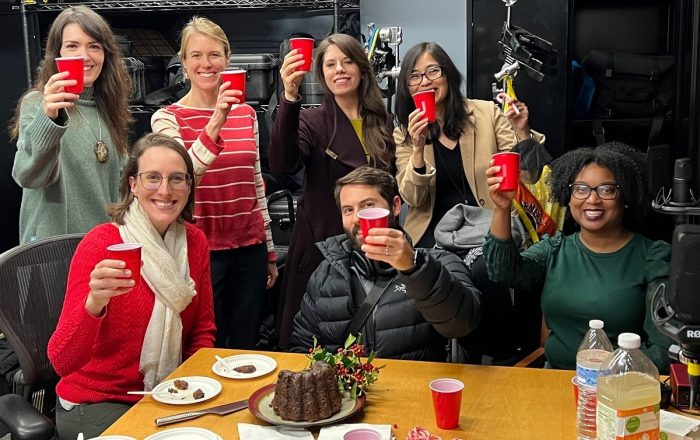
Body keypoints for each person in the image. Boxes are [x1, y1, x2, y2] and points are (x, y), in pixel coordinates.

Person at [47, 133, 216, 439]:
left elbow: (202, 331)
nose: (165, 190)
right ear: (132, 184)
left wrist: (196, 387)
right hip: (97, 399)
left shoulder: (195, 243)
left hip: (166, 393)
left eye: (177, 178)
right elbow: (62, 361)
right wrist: (94, 303)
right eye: (152, 178)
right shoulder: (101, 244)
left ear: (189, 186)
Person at [483, 142, 673, 372]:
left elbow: (663, 351)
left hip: (618, 389)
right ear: (568, 195)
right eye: (581, 189)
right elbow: (503, 272)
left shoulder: (653, 257)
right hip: (553, 382)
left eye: (606, 189)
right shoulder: (555, 249)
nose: (592, 200)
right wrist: (502, 208)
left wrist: (609, 377)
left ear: (626, 196)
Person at [151, 17, 277, 349]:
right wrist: (217, 119)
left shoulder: (247, 114)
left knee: (247, 343)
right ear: (183, 63)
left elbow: (257, 184)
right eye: (196, 55)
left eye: (214, 55)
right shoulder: (166, 118)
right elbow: (181, 180)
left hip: (250, 249)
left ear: (228, 58)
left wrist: (270, 251)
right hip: (200, 252)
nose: (206, 64)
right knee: (207, 345)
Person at [269, 33, 395, 348]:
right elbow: (283, 164)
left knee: (379, 334)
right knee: (317, 342)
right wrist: (289, 96)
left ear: (362, 68)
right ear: (322, 75)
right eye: (330, 64)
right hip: (322, 247)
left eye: (347, 61)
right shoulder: (312, 120)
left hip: (377, 243)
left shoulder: (384, 121)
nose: (339, 69)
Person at [289, 167, 482, 360]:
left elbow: (462, 325)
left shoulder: (438, 262)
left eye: (368, 205)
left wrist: (414, 268)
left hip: (413, 386)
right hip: (346, 387)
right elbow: (302, 346)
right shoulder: (326, 272)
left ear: (396, 206)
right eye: (348, 210)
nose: (357, 218)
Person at [394, 41, 544, 248]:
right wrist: (418, 148)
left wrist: (522, 132)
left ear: (448, 75)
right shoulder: (404, 133)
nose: (425, 81)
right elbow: (413, 199)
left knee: (482, 270)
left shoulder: (487, 113)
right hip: (433, 233)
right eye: (415, 76)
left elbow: (530, 177)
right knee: (435, 272)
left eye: (433, 71)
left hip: (488, 226)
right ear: (407, 87)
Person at [11, 5, 132, 244]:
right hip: (52, 253)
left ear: (105, 55)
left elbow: (119, 190)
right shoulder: (38, 104)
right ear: (57, 54)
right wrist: (49, 118)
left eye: (94, 46)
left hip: (101, 249)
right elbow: (27, 176)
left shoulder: (109, 111)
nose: (85, 56)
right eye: (73, 46)